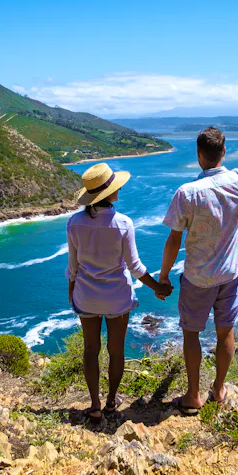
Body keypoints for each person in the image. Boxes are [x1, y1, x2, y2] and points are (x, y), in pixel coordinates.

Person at [158, 128, 238, 415]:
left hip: (198, 277)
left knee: (191, 334)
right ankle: (219, 390)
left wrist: (163, 276)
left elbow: (174, 239)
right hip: (230, 274)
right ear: (223, 153)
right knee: (226, 333)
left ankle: (194, 395)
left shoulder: (187, 193)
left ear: (199, 156)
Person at [66, 162, 173, 422]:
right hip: (117, 298)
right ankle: (112, 402)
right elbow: (135, 268)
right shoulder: (123, 223)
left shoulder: (74, 223)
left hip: (86, 296)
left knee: (90, 350)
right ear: (110, 192)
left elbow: (73, 267)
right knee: (117, 351)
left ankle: (93, 405)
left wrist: (73, 295)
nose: (120, 188)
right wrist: (158, 287)